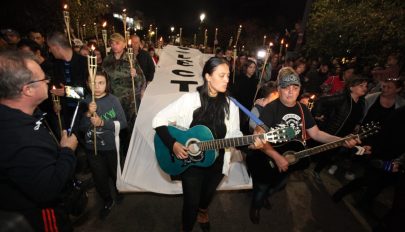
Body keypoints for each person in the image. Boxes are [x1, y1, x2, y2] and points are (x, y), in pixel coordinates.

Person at [152, 57, 264, 232]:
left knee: (206, 196)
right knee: (191, 203)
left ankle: (203, 211)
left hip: (217, 162)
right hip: (191, 162)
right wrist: (173, 144)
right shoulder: (189, 100)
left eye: (228, 75)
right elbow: (158, 119)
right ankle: (186, 227)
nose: (227, 80)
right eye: (222, 75)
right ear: (208, 76)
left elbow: (234, 134)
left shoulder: (231, 105)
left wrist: (250, 143)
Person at [248, 67, 359, 224]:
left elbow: (316, 134)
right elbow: (259, 135)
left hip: (289, 159)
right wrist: (276, 157)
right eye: (286, 88)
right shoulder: (271, 108)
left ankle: (265, 197)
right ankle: (256, 207)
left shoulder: (303, 109)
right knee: (261, 187)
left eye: (295, 88)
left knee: (279, 186)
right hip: (267, 159)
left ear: (300, 89)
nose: (290, 92)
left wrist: (341, 140)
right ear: (279, 89)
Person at [0, 50, 78, 231]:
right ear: (27, 89)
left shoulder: (80, 62)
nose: (48, 80)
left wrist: (68, 92)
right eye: (44, 79)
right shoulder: (20, 139)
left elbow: (86, 89)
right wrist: (66, 151)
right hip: (37, 214)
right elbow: (48, 188)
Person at [79, 71, 127, 220]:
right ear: (87, 84)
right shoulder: (84, 102)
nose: (97, 87)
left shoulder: (113, 100)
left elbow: (124, 123)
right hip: (92, 148)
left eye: (101, 83)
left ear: (107, 84)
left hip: (111, 147)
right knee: (99, 176)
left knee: (115, 172)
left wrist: (102, 123)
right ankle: (107, 199)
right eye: (93, 83)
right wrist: (88, 114)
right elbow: (80, 127)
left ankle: (119, 191)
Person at [312, 75, 369, 181]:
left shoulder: (362, 103)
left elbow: (358, 118)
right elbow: (321, 100)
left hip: (344, 135)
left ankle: (316, 171)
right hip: (331, 131)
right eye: (361, 85)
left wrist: (357, 125)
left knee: (329, 154)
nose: (365, 88)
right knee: (316, 151)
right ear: (351, 87)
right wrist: (318, 113)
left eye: (366, 86)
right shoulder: (342, 98)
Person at [103, 33, 145, 155]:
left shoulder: (131, 59)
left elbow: (142, 81)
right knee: (116, 128)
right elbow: (107, 77)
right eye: (112, 43)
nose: (115, 46)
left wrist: (135, 75)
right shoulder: (107, 60)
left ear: (124, 44)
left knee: (130, 129)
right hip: (114, 101)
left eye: (118, 43)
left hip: (130, 101)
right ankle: (117, 155)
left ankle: (130, 155)